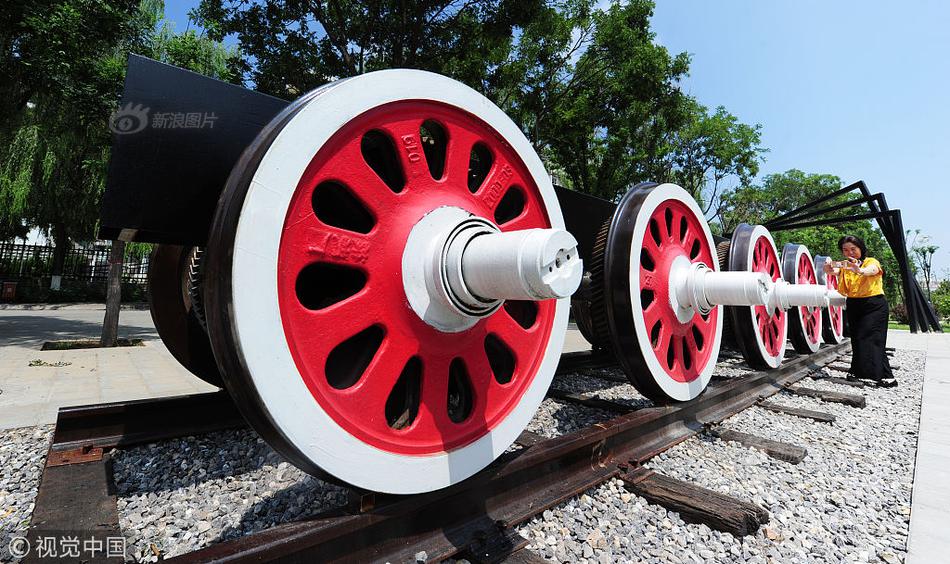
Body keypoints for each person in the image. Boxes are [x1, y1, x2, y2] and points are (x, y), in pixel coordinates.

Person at [824, 234, 896, 387]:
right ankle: (861, 373)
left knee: (871, 339)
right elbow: (833, 272)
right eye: (845, 250)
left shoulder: (870, 261)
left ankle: (876, 375)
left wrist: (860, 270)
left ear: (860, 248)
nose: (849, 253)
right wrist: (827, 268)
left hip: (873, 305)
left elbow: (873, 270)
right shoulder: (845, 265)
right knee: (857, 339)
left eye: (853, 249)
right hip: (854, 304)